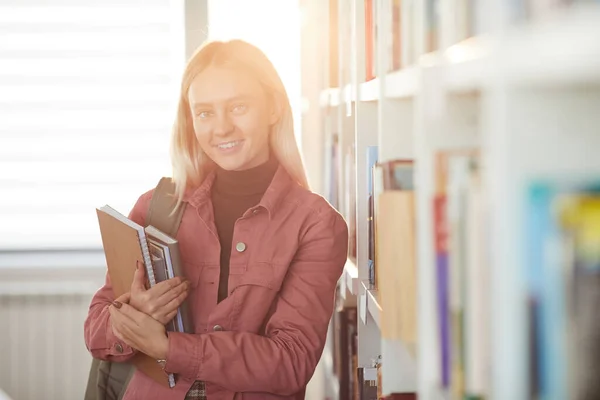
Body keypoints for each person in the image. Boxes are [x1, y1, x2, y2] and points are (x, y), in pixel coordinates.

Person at [83, 39, 348, 400]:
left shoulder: (316, 224)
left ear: (273, 107)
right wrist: (130, 317)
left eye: (238, 107)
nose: (221, 128)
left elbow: (292, 361)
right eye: (205, 113)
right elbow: (95, 331)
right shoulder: (156, 207)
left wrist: (168, 348)